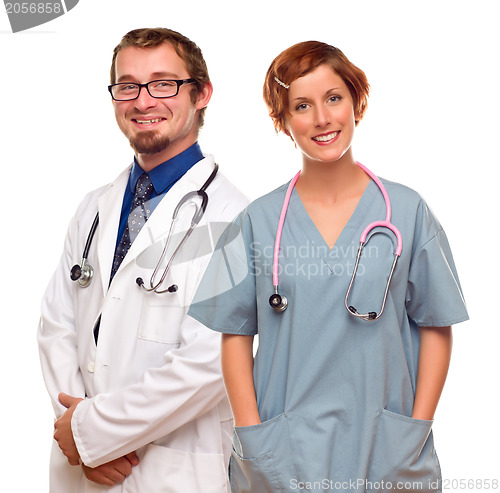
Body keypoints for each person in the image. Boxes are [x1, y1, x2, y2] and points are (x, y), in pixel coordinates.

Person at [189, 41, 469, 492]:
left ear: (357, 101)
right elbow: (235, 336)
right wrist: (251, 433)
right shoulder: (258, 221)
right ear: (283, 121)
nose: (321, 118)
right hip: (284, 452)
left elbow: (436, 324)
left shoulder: (408, 210)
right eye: (302, 105)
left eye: (333, 98)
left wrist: (416, 428)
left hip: (385, 447)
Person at [37, 27, 248, 493]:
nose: (142, 100)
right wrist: (74, 429)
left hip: (168, 473)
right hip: (82, 472)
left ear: (202, 94)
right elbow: (57, 326)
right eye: (127, 86)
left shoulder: (238, 219)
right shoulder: (94, 208)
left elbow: (211, 363)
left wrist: (95, 434)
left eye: (163, 84)